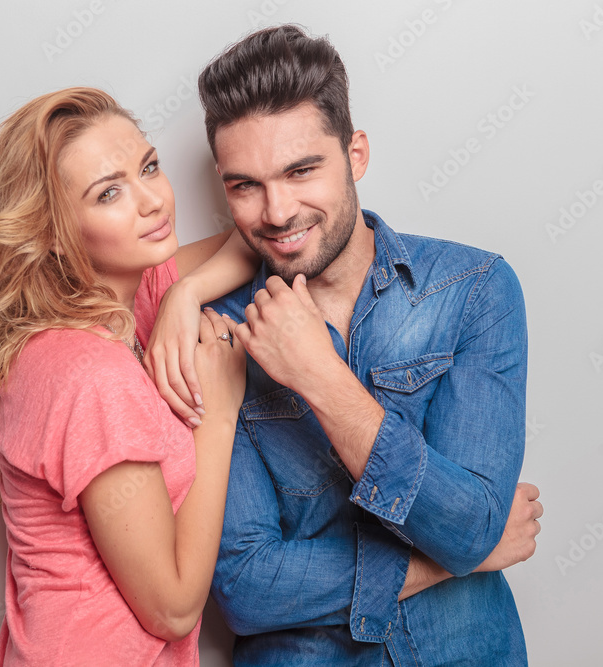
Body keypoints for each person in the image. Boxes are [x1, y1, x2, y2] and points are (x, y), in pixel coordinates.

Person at [177, 25, 543, 665]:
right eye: (245, 185)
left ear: (356, 154)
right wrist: (452, 557)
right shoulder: (216, 337)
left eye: (301, 170)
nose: (277, 211)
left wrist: (318, 375)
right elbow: (247, 589)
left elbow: (471, 525)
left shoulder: (474, 291)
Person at [0, 87, 261, 666]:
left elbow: (260, 235)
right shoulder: (90, 375)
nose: (152, 201)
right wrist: (220, 409)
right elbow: (173, 608)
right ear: (53, 233)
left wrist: (185, 293)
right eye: (109, 193)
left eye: (149, 168)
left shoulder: (120, 303)